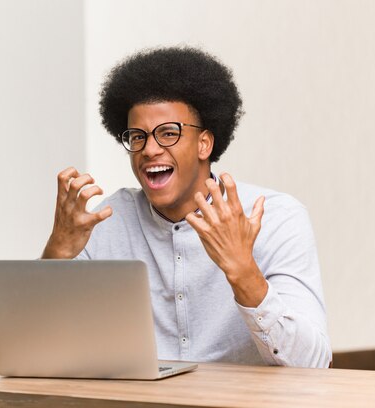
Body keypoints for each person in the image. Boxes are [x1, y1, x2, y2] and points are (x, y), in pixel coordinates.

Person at [41, 46, 331, 368]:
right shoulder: (103, 223)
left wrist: (243, 272)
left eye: (168, 133)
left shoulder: (277, 217)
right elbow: (38, 350)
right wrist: (57, 252)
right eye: (138, 137)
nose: (149, 149)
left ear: (205, 144)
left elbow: (312, 365)